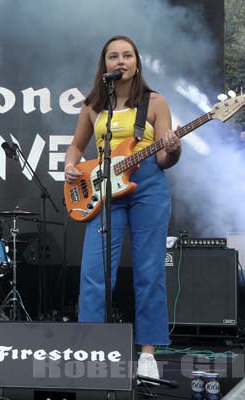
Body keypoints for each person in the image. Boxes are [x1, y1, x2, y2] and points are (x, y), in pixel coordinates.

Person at [64, 35, 181, 382]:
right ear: (105, 65)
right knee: (95, 271)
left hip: (147, 184)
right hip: (102, 187)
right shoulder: (93, 105)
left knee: (149, 271)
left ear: (136, 62)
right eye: (113, 56)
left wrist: (173, 149)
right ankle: (92, 348)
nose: (120, 61)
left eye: (127, 55)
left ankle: (147, 353)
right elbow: (75, 145)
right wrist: (70, 165)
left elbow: (164, 157)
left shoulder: (156, 102)